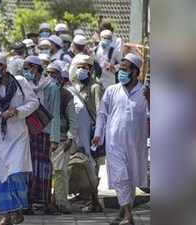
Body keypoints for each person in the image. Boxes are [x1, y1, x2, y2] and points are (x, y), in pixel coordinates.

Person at [0, 52, 39, 225]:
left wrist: (18, 112)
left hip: (18, 136)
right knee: (0, 176)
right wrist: (0, 115)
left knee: (16, 174)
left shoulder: (20, 83)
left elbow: (33, 102)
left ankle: (18, 210)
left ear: (4, 68)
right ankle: (6, 215)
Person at [92, 53, 148, 225]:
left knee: (130, 180)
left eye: (125, 69)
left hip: (136, 144)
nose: (121, 72)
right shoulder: (111, 90)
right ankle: (129, 217)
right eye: (120, 69)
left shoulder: (145, 93)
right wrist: (98, 134)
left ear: (136, 72)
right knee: (120, 176)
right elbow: (102, 114)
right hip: (113, 141)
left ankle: (121, 214)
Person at [21, 56, 57, 214]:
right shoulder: (23, 86)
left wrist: (54, 139)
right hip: (27, 132)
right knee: (27, 167)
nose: (26, 71)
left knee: (43, 167)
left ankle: (43, 201)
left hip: (44, 133)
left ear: (35, 68)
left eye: (28, 68)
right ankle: (27, 202)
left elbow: (55, 112)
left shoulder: (51, 86)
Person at [67, 54, 103, 212]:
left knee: (91, 164)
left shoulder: (96, 87)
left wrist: (98, 134)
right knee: (77, 162)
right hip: (76, 132)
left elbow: (100, 111)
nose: (82, 70)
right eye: (79, 67)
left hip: (91, 132)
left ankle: (93, 198)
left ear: (90, 69)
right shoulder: (71, 87)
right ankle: (83, 195)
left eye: (85, 67)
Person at [49, 61, 74, 214]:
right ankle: (48, 202)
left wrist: (70, 139)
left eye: (54, 73)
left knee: (60, 172)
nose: (51, 76)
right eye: (48, 73)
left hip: (62, 139)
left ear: (59, 76)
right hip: (44, 139)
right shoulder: (42, 91)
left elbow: (73, 120)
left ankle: (61, 203)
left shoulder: (66, 95)